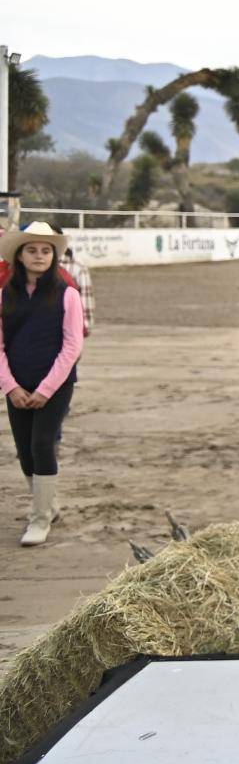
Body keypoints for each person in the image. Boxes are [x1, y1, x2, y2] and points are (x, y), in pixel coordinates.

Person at [4, 223, 86, 546]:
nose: (39, 256)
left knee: (42, 444)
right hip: (17, 385)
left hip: (55, 384)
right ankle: (48, 506)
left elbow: (72, 347)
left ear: (54, 256)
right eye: (32, 250)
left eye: (46, 250)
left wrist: (45, 389)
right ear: (20, 256)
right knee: (25, 453)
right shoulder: (4, 296)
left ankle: (39, 520)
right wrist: (11, 386)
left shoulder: (68, 295)